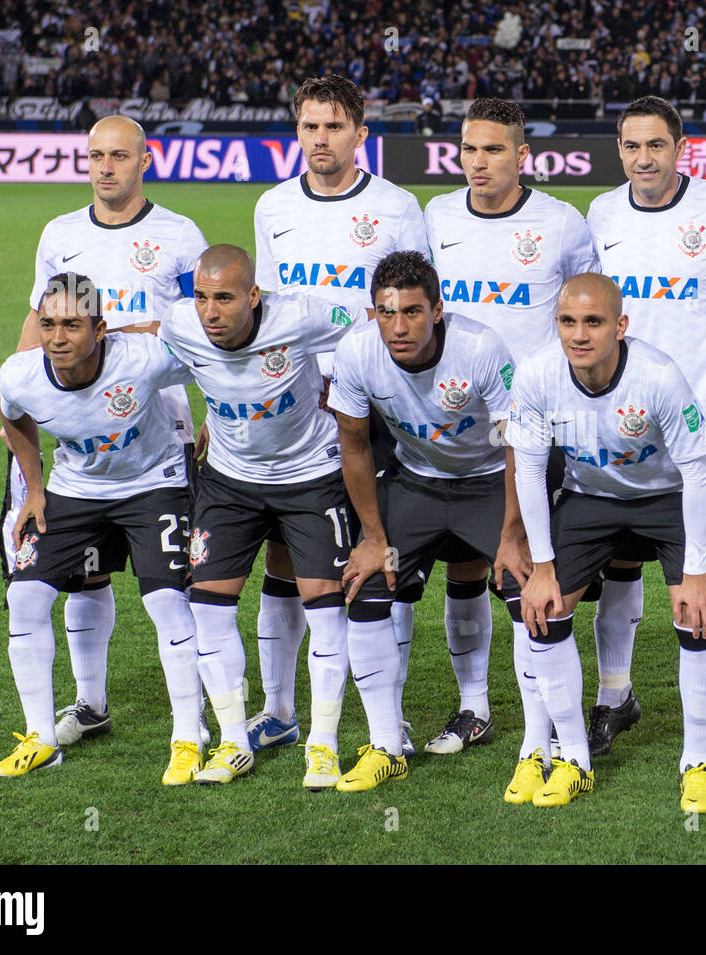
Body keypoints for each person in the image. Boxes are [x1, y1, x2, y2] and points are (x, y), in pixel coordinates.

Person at [158, 245, 401, 790]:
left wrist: (345, 395)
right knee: (209, 607)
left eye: (224, 298)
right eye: (201, 297)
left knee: (324, 606)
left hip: (310, 477)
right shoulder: (181, 324)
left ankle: (323, 744)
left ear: (253, 295)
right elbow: (150, 338)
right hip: (228, 479)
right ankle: (232, 740)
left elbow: (370, 327)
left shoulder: (300, 316)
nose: (210, 312)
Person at [7, 115, 207, 751]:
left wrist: (208, 415)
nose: (105, 167)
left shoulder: (178, 235)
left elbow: (202, 329)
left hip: (157, 424)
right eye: (95, 155)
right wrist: (29, 395)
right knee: (84, 573)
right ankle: (90, 704)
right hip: (77, 430)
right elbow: (39, 321)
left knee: (168, 583)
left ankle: (193, 715)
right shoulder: (59, 234)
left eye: (119, 156)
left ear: (144, 160)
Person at [584, 95, 706, 806]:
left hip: (699, 439)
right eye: (630, 146)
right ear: (618, 149)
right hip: (618, 431)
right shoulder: (601, 215)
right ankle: (615, 695)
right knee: (618, 565)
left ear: (679, 145)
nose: (643, 158)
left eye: (656, 145)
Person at [250, 75, 426, 757]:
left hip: (372, 403)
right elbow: (262, 307)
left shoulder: (396, 206)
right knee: (285, 551)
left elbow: (412, 304)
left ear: (360, 133)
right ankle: (278, 708)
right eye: (308, 126)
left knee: (383, 553)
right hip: (289, 402)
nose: (319, 139)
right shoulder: (272, 206)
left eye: (332, 126)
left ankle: (392, 714)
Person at [327, 251, 543, 801]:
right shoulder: (356, 352)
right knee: (369, 585)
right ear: (372, 311)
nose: (398, 327)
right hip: (416, 482)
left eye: (413, 313)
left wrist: (513, 535)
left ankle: (538, 747)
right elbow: (353, 446)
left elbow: (516, 442)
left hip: (490, 481)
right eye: (386, 312)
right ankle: (385, 747)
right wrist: (374, 539)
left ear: (438, 310)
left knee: (527, 589)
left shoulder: (480, 347)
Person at [423, 97, 600, 756]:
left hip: (536, 428)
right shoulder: (436, 217)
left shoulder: (560, 223)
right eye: (469, 149)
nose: (478, 162)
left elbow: (592, 311)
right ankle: (474, 707)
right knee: (463, 565)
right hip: (449, 425)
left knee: (532, 572)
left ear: (522, 156)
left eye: (494, 150)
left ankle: (556, 718)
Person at [508, 273, 706, 809]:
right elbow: (530, 473)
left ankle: (696, 763)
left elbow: (698, 472)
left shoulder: (658, 376)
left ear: (620, 326)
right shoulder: (535, 375)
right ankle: (574, 760)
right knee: (546, 609)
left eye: (594, 322)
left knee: (696, 615)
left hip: (668, 496)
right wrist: (542, 565)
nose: (579, 335)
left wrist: (696, 571)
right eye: (567, 321)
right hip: (590, 498)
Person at [0, 273, 204, 784]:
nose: (56, 338)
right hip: (76, 487)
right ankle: (41, 739)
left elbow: (215, 359)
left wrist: (217, 429)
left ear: (101, 328)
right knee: (25, 598)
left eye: (71, 324)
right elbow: (14, 422)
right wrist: (35, 488)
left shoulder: (143, 357)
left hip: (154, 481)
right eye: (47, 324)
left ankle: (188, 737)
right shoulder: (19, 375)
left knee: (166, 601)